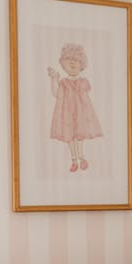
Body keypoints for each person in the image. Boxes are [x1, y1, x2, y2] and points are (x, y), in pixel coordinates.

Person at [48, 42, 103, 172]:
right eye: (69, 60)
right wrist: (54, 79)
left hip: (80, 113)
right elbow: (56, 93)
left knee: (80, 136)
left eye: (76, 60)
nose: (72, 63)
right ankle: (74, 159)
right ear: (63, 64)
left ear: (82, 64)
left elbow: (85, 97)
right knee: (70, 137)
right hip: (67, 113)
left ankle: (82, 157)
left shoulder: (83, 82)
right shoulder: (63, 83)